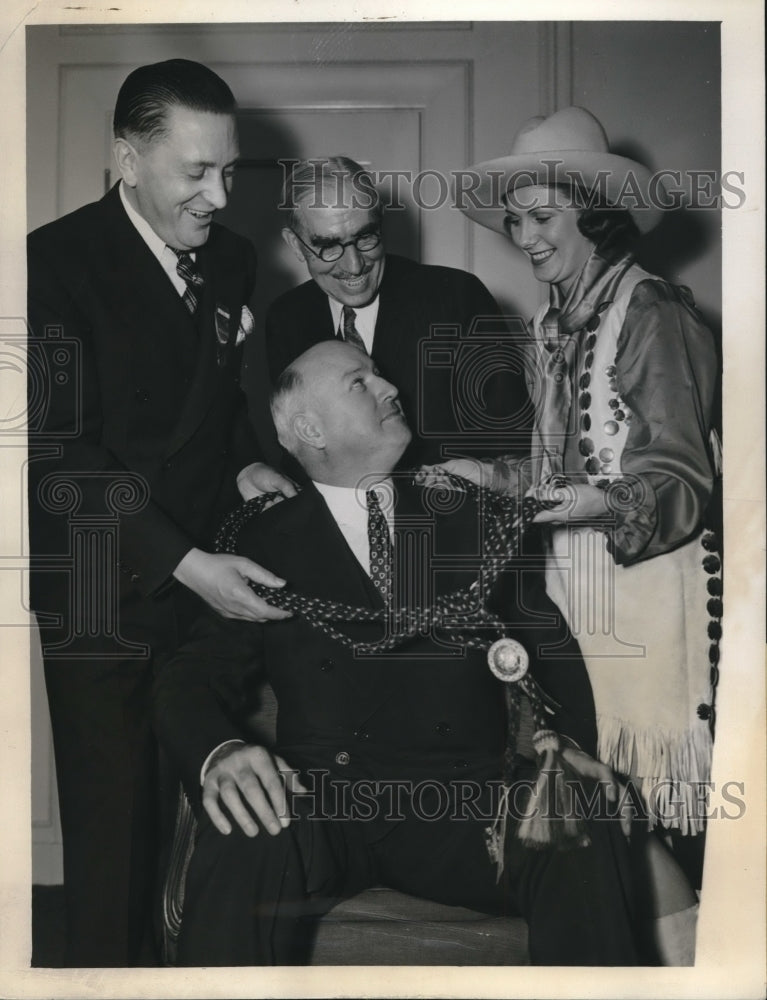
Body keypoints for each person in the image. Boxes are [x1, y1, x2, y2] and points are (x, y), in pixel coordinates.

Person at [152, 339, 643, 968]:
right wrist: (221, 752)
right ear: (310, 429)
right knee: (246, 827)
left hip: (462, 805)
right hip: (323, 798)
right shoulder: (258, 540)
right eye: (361, 383)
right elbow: (190, 677)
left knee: (572, 826)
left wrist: (569, 746)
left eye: (382, 375)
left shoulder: (469, 515)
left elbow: (546, 643)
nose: (390, 389)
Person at [27, 59, 295, 966]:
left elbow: (214, 411)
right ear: (127, 159)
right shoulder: (47, 263)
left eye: (229, 170)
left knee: (224, 832)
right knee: (114, 851)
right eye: (196, 172)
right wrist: (187, 564)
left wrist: (251, 462)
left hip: (203, 587)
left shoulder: (233, 258)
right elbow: (61, 452)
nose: (220, 195)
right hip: (104, 596)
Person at [423, 107, 719, 925]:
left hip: (653, 596)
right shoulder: (557, 320)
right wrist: (492, 473)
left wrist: (586, 501)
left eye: (541, 216)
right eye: (514, 218)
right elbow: (565, 465)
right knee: (607, 808)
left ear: (593, 214)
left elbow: (681, 482)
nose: (523, 236)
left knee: (665, 807)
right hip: (577, 599)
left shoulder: (653, 312)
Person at [265, 156, 532, 469]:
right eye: (328, 246)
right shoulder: (285, 318)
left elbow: (512, 448)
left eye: (365, 237)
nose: (354, 265)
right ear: (295, 246)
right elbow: (299, 452)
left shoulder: (457, 298)